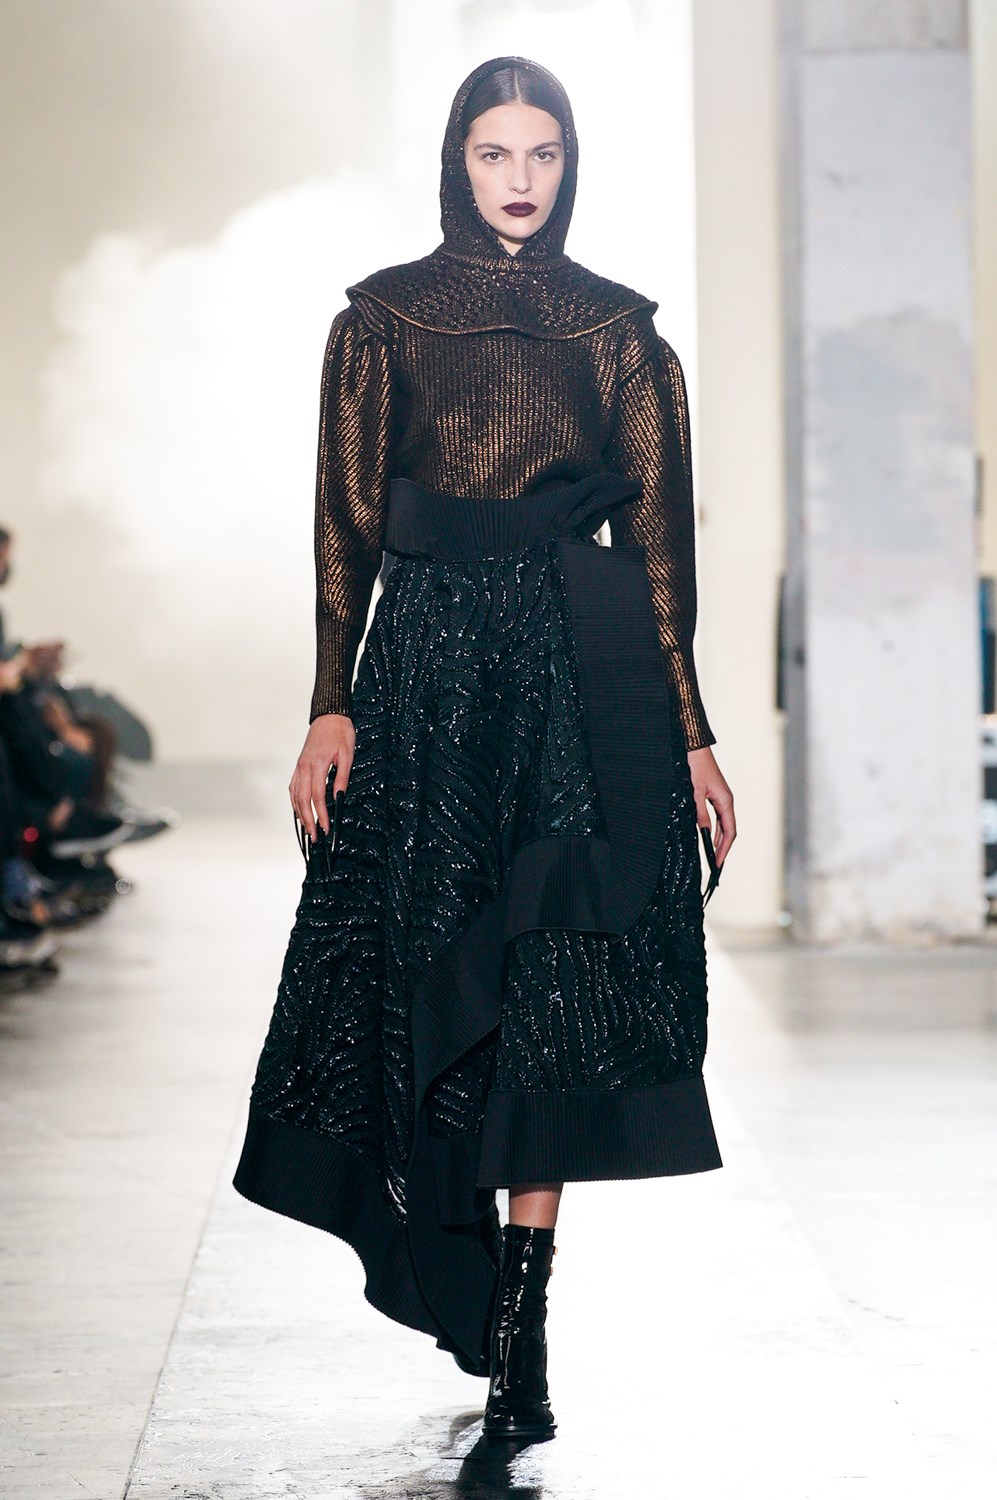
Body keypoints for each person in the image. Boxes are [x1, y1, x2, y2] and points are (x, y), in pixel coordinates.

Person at [234, 55, 736, 1442]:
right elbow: (343, 525)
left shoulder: (620, 332)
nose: (521, 180)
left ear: (571, 165)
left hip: (579, 678)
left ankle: (523, 1336)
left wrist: (689, 733)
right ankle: (463, 1283)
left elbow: (660, 557)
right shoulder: (382, 321)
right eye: (495, 154)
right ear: (457, 162)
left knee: (548, 987)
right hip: (427, 677)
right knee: (426, 965)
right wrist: (329, 701)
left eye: (544, 154)